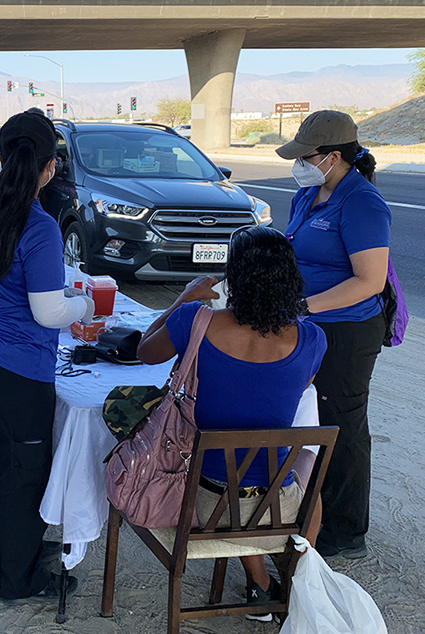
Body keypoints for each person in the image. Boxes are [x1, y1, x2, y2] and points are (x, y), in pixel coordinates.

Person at [137, 225, 327, 621]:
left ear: (233, 277)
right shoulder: (312, 339)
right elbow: (299, 386)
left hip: (201, 502)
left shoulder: (196, 320)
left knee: (233, 464)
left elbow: (145, 352)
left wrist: (183, 298)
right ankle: (294, 586)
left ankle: (262, 585)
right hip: (276, 510)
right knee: (306, 464)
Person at [0, 110, 95, 604]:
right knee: (24, 468)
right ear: (48, 167)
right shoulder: (39, 226)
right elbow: (48, 311)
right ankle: (21, 579)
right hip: (15, 368)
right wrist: (83, 305)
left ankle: (4, 547)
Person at [276, 110, 391, 560]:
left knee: (340, 424)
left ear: (334, 156)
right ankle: (308, 512)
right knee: (307, 418)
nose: (299, 164)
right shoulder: (308, 194)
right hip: (307, 325)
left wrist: (304, 307)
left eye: (306, 156)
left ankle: (345, 531)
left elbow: (370, 280)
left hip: (347, 330)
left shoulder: (362, 202)